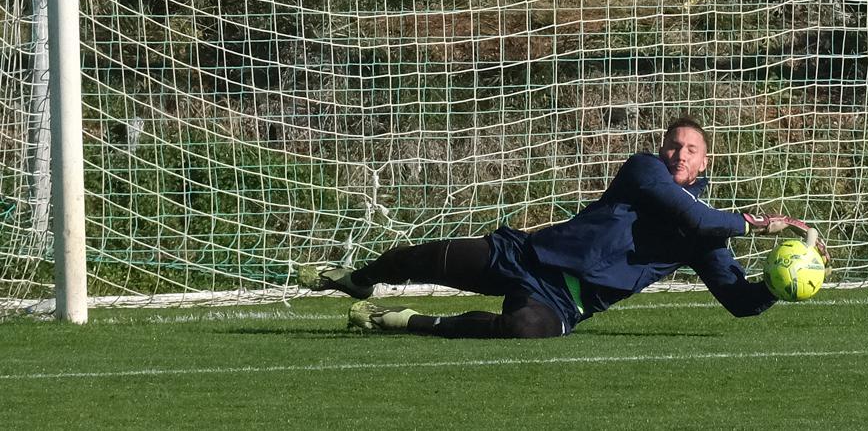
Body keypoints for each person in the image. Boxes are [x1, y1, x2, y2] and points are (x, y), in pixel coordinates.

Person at [296, 117, 823, 338]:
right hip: (528, 254)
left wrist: (782, 284)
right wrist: (757, 224)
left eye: (690, 150)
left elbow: (739, 300)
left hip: (565, 300)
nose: (677, 153)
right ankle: (359, 277)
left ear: (705, 163)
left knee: (523, 330)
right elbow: (693, 214)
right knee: (425, 259)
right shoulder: (646, 172)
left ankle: (401, 320)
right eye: (673, 144)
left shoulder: (709, 235)